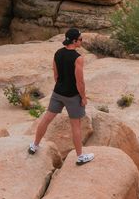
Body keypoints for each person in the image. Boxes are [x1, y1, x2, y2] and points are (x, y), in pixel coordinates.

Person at [28, 28, 94, 165]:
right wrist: (83, 97)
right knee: (76, 126)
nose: (82, 41)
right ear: (74, 41)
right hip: (72, 96)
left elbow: (56, 75)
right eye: (80, 39)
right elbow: (79, 82)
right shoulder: (78, 58)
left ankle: (34, 145)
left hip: (58, 93)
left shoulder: (58, 53)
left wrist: (61, 86)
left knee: (46, 119)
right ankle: (80, 156)